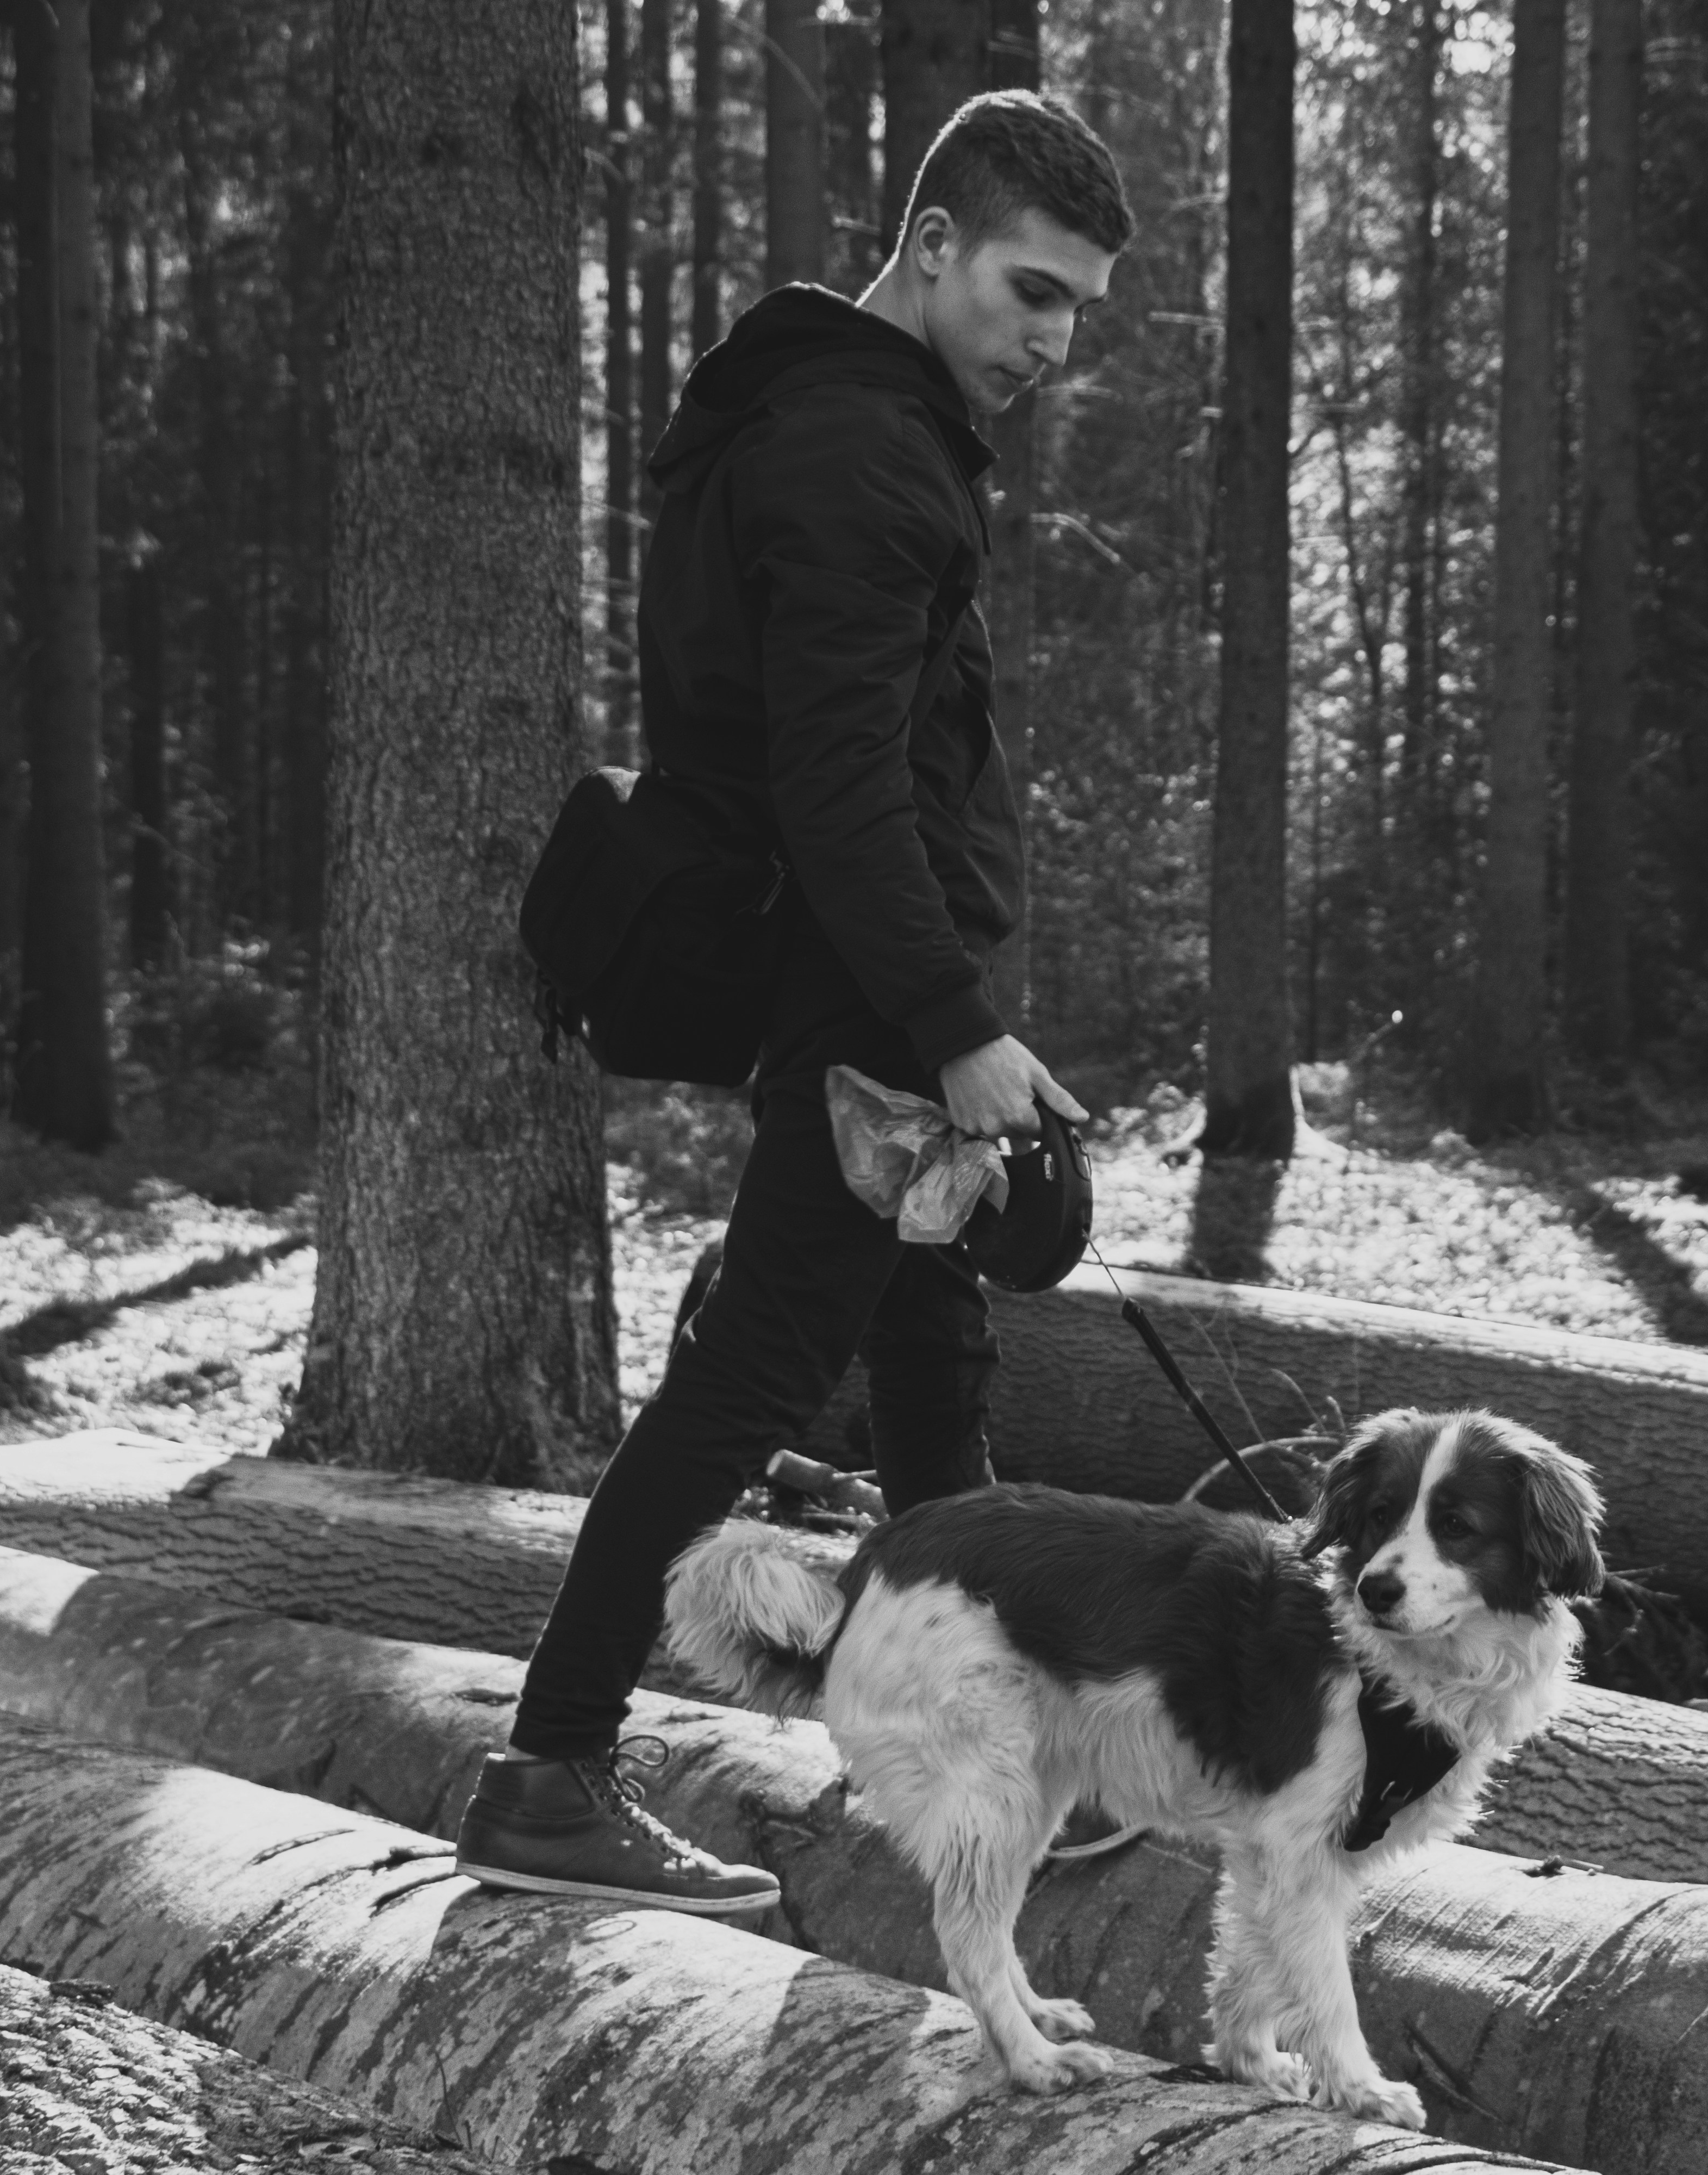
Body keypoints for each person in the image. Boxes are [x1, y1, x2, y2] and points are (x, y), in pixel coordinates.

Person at [454, 92, 1136, 1913]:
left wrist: (950, 1005)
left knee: (930, 1374)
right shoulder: (858, 453)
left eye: (1078, 310)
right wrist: (950, 1022)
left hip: (884, 1003)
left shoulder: (835, 415)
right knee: (745, 1382)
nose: (1051, 342)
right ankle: (550, 1771)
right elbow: (840, 784)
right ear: (932, 247)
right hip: (871, 1023)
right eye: (1029, 290)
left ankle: (1003, 1759)